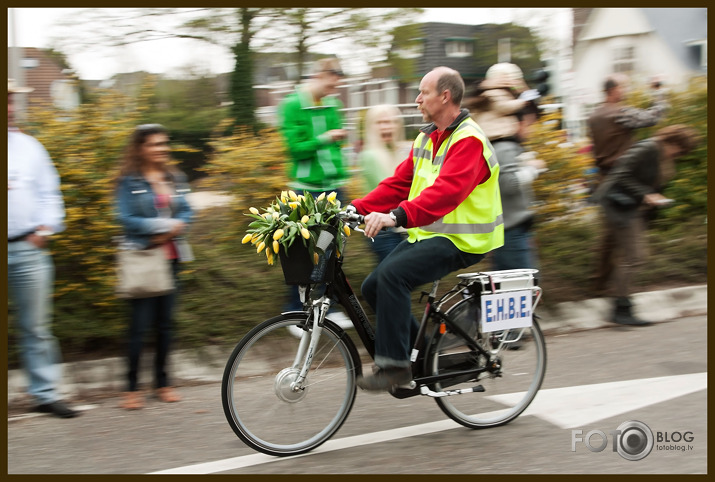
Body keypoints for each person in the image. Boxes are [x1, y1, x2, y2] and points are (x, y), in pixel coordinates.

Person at [350, 67, 504, 391]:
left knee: (393, 277)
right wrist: (356, 208)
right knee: (373, 286)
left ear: (445, 96)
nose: (417, 99)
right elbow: (398, 183)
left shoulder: (469, 140)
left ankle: (395, 367)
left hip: (465, 239)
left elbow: (446, 193)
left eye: (423, 92)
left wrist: (396, 217)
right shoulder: (427, 137)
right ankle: (419, 356)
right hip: (432, 233)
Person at [7, 79, 79, 418]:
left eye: (11, 100)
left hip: (26, 248)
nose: (9, 107)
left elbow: (51, 193)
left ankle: (45, 393)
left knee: (36, 327)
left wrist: (44, 230)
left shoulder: (30, 147)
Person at [115, 124, 194, 410]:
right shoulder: (129, 181)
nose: (161, 149)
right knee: (138, 326)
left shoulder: (174, 177)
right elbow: (125, 218)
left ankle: (163, 383)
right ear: (140, 148)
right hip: (144, 257)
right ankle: (131, 387)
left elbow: (187, 210)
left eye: (164, 144)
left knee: (165, 325)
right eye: (154, 144)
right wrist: (164, 226)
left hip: (172, 258)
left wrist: (176, 226)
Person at [592, 124, 698, 326]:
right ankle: (620, 309)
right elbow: (620, 174)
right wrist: (646, 194)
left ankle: (608, 295)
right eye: (680, 150)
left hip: (631, 208)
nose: (679, 154)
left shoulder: (662, 154)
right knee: (635, 257)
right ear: (673, 142)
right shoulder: (648, 148)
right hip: (619, 206)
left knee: (617, 252)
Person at [277, 57, 351, 314]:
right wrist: (325, 138)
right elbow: (295, 150)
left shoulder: (333, 103)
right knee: (301, 253)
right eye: (335, 77)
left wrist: (337, 148)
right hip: (305, 189)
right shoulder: (292, 105)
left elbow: (337, 144)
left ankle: (325, 310)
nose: (337, 84)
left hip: (334, 188)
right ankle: (295, 311)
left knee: (331, 252)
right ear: (320, 74)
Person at [587, 73, 668, 294]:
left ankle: (598, 284)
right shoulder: (620, 113)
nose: (627, 90)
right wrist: (658, 91)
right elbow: (653, 118)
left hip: (604, 179)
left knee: (609, 235)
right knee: (628, 233)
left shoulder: (594, 115)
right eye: (625, 86)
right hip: (624, 179)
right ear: (613, 90)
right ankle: (620, 292)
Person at [467, 63, 545, 271]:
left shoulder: (502, 145)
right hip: (510, 231)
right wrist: (533, 169)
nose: (530, 128)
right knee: (520, 292)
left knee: (510, 291)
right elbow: (508, 184)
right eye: (528, 123)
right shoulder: (504, 146)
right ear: (518, 122)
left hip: (509, 229)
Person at [358, 104, 410, 262]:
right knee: (396, 276)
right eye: (380, 122)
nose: (386, 127)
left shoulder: (396, 151)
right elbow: (393, 189)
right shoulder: (370, 156)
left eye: (391, 122)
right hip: (383, 229)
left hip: (396, 225)